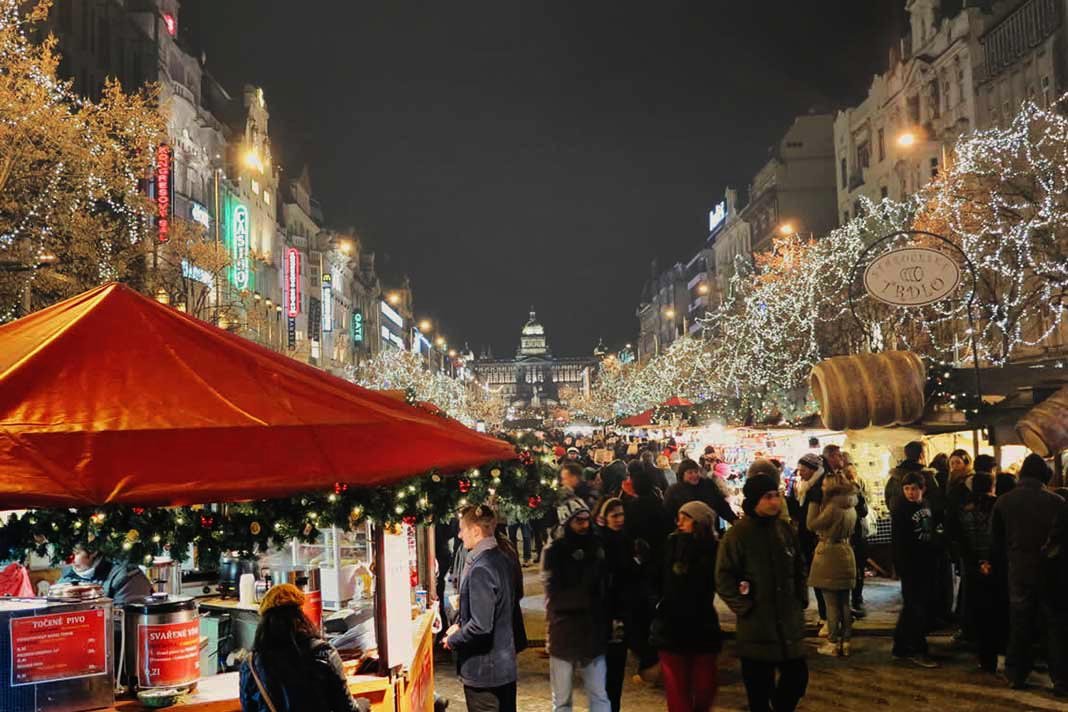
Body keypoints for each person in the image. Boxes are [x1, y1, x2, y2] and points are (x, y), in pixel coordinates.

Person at [716, 467, 808, 712]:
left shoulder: (784, 529)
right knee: (759, 692)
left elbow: (799, 564)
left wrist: (801, 598)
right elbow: (723, 576)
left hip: (788, 624)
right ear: (755, 501)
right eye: (768, 496)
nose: (774, 501)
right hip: (757, 626)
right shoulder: (738, 534)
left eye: (776, 495)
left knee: (797, 679)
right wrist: (744, 606)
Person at [991, 453, 1067, 692]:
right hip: (1051, 571)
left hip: (1019, 570)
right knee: (1054, 625)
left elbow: (995, 542)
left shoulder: (1003, 501)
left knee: (1020, 623)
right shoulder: (1058, 502)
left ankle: (1017, 674)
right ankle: (1061, 679)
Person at [240, 583, 364, 712]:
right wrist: (362, 705)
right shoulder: (323, 652)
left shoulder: (250, 665)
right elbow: (346, 708)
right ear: (300, 616)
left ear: (264, 624)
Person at [444, 504, 518, 712]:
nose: (459, 535)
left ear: (476, 531)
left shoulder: (481, 568)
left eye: (462, 529)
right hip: (503, 667)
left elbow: (481, 625)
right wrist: (460, 624)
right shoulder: (503, 558)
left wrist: (453, 639)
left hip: (485, 673)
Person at [651, 501, 722, 712]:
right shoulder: (672, 543)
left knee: (705, 686)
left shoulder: (714, 548)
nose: (680, 522)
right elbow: (659, 577)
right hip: (672, 623)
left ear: (700, 522)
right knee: (677, 687)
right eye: (679, 517)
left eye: (686, 518)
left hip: (702, 623)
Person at [542, 497, 611, 712]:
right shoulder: (555, 551)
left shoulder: (597, 547)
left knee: (599, 694)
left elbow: (604, 585)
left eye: (586, 520)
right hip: (564, 631)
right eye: (578, 521)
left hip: (592, 631)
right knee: (562, 699)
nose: (584, 525)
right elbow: (553, 592)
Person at [954, 471, 1007, 673]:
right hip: (997, 566)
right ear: (991, 486)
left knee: (980, 613)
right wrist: (991, 561)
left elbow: (960, 540)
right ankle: (1001, 651)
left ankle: (985, 659)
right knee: (998, 610)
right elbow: (1000, 539)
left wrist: (977, 562)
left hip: (973, 567)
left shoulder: (965, 509)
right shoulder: (999, 506)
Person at [595, 497, 643, 712]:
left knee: (615, 674)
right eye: (614, 515)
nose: (619, 519)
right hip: (605, 616)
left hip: (622, 614)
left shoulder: (625, 540)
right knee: (605, 675)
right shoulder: (600, 544)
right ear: (604, 518)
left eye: (622, 514)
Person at [807, 466, 858, 657]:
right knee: (845, 601)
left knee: (831, 603)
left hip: (829, 554)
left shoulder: (832, 507)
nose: (821, 487)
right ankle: (846, 641)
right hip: (846, 552)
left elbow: (811, 524)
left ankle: (833, 642)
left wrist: (813, 502)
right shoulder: (851, 504)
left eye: (823, 485)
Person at [891, 471, 938, 668]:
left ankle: (901, 646)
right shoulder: (901, 509)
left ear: (922, 489)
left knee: (913, 606)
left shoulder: (925, 505)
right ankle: (918, 649)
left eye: (914, 489)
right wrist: (901, 566)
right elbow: (899, 541)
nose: (910, 493)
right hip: (911, 565)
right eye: (907, 489)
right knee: (916, 607)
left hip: (925, 563)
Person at [793, 452, 827, 630]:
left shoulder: (818, 488)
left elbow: (814, 517)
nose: (800, 473)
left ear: (813, 469)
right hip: (809, 537)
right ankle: (825, 614)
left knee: (820, 578)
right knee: (817, 578)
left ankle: (826, 616)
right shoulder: (808, 486)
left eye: (803, 470)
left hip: (816, 538)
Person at [57, 544, 152, 605]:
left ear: (93, 551)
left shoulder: (126, 575)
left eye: (76, 553)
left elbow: (125, 621)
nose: (70, 560)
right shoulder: (67, 575)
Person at [663, 459, 737, 527]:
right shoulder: (674, 491)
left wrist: (734, 520)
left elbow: (721, 505)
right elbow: (669, 514)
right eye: (690, 472)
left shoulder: (708, 485)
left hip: (711, 531)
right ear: (682, 475)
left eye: (696, 471)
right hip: (687, 534)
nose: (694, 475)